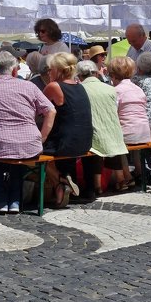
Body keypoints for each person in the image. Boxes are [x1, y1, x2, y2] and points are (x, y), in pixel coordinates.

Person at [0, 50, 56, 214]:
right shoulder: (29, 85)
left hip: (0, 143)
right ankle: (15, 200)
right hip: (31, 143)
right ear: (15, 69)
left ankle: (1, 200)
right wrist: (42, 137)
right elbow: (50, 110)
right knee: (18, 155)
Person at [41, 52, 94, 205]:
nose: (48, 72)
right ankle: (61, 189)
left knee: (35, 153)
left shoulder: (53, 86)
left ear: (57, 70)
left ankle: (60, 179)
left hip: (65, 142)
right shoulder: (80, 87)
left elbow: (37, 108)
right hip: (85, 141)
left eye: (50, 69)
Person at [75, 59, 129, 200]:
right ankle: (120, 179)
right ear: (96, 74)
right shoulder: (110, 88)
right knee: (109, 139)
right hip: (114, 132)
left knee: (95, 144)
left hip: (94, 133)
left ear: (79, 75)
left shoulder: (81, 89)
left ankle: (96, 185)